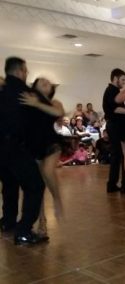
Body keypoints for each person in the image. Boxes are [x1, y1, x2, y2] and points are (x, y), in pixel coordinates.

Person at [0, 56, 47, 245]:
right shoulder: (25, 93)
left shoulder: (2, 91)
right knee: (35, 185)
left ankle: (7, 221)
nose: (26, 73)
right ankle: (24, 230)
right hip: (16, 147)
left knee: (9, 183)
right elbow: (43, 114)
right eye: (26, 70)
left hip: (0, 147)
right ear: (19, 71)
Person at [19, 77, 65, 237]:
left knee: (47, 170)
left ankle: (57, 200)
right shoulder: (28, 99)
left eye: (48, 83)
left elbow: (58, 112)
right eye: (41, 82)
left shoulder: (55, 102)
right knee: (37, 186)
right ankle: (42, 222)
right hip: (32, 145)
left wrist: (37, 104)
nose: (46, 83)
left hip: (51, 142)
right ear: (35, 86)